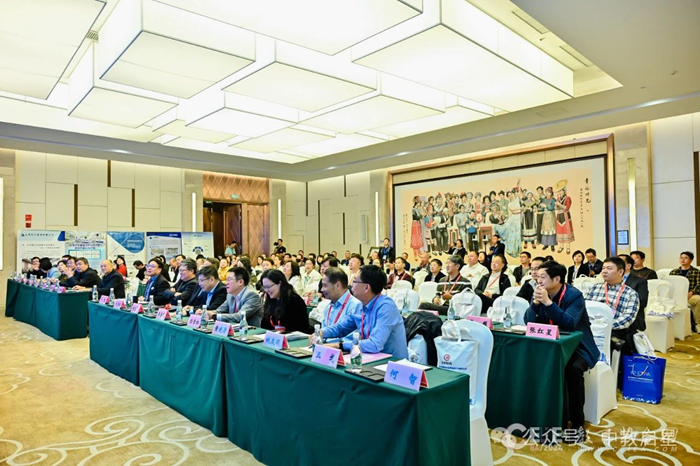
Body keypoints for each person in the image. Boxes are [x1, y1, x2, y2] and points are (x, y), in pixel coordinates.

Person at [524, 261, 599, 444]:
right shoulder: (542, 293)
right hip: (551, 345)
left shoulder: (574, 296)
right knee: (527, 362)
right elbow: (528, 321)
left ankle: (577, 425)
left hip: (578, 346)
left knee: (572, 369)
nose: (538, 281)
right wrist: (535, 304)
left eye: (543, 277)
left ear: (557, 279)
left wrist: (548, 303)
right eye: (538, 277)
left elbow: (569, 323)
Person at [314, 265, 408, 358]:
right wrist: (321, 332)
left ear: (366, 287)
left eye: (355, 281)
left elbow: (375, 344)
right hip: (368, 358)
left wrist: (340, 345)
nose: (351, 285)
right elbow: (341, 328)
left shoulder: (386, 307)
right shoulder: (360, 305)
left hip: (391, 363)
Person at [584, 257, 640, 354]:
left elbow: (628, 318)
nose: (604, 271)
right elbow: (584, 307)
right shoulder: (595, 288)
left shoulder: (630, 293)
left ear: (620, 272)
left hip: (614, 329)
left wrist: (605, 326)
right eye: (603, 268)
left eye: (609, 268)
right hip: (591, 326)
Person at [261, 269, 310, 333]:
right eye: (264, 287)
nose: (267, 290)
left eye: (269, 286)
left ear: (280, 283)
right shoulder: (271, 300)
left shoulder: (294, 301)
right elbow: (265, 324)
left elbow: (298, 328)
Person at [619, 254, 649, 336]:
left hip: (632, 318)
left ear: (628, 266)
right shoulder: (610, 280)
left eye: (620, 262)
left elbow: (642, 302)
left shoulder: (640, 281)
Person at [669, 251, 700, 328]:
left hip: (690, 295)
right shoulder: (674, 272)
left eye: (685, 258)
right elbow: (669, 284)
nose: (682, 260)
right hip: (676, 296)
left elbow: (698, 285)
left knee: (698, 300)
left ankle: (698, 324)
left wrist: (691, 292)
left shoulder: (696, 272)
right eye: (681, 258)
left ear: (691, 260)